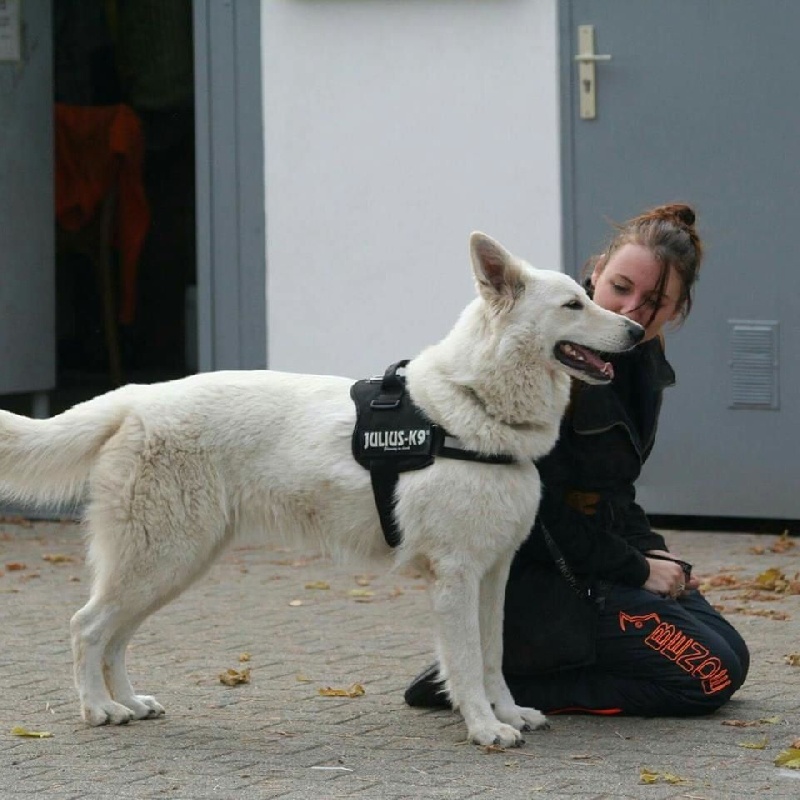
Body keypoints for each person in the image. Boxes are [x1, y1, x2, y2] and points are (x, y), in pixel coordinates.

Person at [405, 203, 749, 717]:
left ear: (676, 311)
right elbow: (536, 510)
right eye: (620, 287)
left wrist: (658, 557)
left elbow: (615, 492)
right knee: (709, 672)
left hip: (595, 565)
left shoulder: (637, 361)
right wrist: (637, 569)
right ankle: (475, 684)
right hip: (547, 581)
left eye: (654, 300)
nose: (632, 310)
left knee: (732, 652)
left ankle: (516, 670)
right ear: (595, 273)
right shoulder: (553, 363)